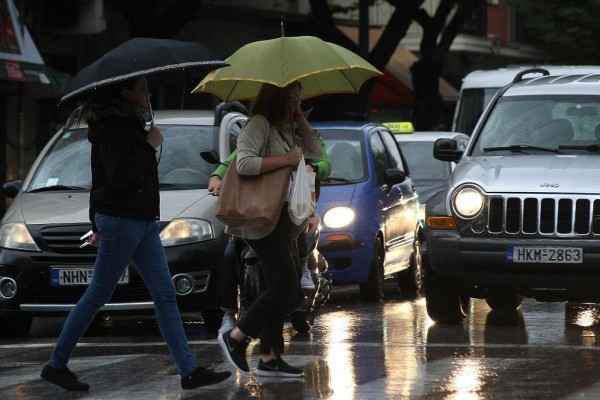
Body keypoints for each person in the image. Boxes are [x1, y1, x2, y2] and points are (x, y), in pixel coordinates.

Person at [40, 76, 231, 391]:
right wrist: (147, 145)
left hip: (140, 221)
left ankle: (189, 371)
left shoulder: (126, 124)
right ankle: (56, 364)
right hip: (122, 219)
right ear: (125, 92)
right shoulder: (114, 127)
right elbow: (117, 178)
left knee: (165, 294)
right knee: (99, 293)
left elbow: (99, 182)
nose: (148, 93)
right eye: (142, 88)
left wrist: (95, 220)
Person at [217, 81, 322, 378]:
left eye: (299, 98)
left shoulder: (284, 128)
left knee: (276, 286)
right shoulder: (258, 124)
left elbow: (313, 150)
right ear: (276, 97)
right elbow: (245, 163)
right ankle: (237, 336)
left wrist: (300, 117)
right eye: (292, 98)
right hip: (261, 217)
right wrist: (285, 160)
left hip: (284, 218)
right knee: (287, 284)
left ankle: (270, 357)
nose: (296, 103)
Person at [209, 135, 330, 335]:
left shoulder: (301, 135)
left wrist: (313, 167)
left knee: (287, 282)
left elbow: (322, 158)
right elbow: (238, 159)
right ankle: (231, 318)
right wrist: (217, 176)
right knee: (231, 254)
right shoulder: (260, 129)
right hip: (257, 211)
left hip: (288, 212)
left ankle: (265, 352)